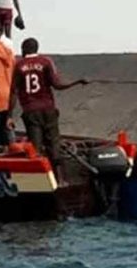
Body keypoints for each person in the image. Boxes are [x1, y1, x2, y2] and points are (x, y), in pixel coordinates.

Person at [9, 38, 88, 169]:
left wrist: (9, 115)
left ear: (24, 49)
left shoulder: (19, 66)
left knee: (35, 145)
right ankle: (60, 176)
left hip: (30, 110)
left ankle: (40, 173)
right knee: (54, 143)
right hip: (48, 108)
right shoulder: (45, 62)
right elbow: (57, 84)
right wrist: (77, 82)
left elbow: (13, 92)